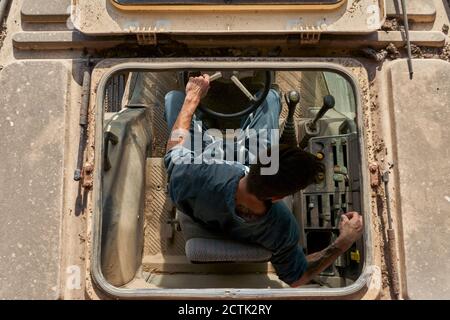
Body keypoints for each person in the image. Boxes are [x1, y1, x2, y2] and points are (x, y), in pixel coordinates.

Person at [163, 74, 363, 287]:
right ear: (278, 197)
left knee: (174, 99)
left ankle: (203, 117)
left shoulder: (194, 176)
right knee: (269, 100)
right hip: (226, 198)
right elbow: (297, 277)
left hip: (206, 193)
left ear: (258, 161)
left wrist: (192, 98)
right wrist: (343, 242)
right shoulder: (282, 228)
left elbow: (173, 152)